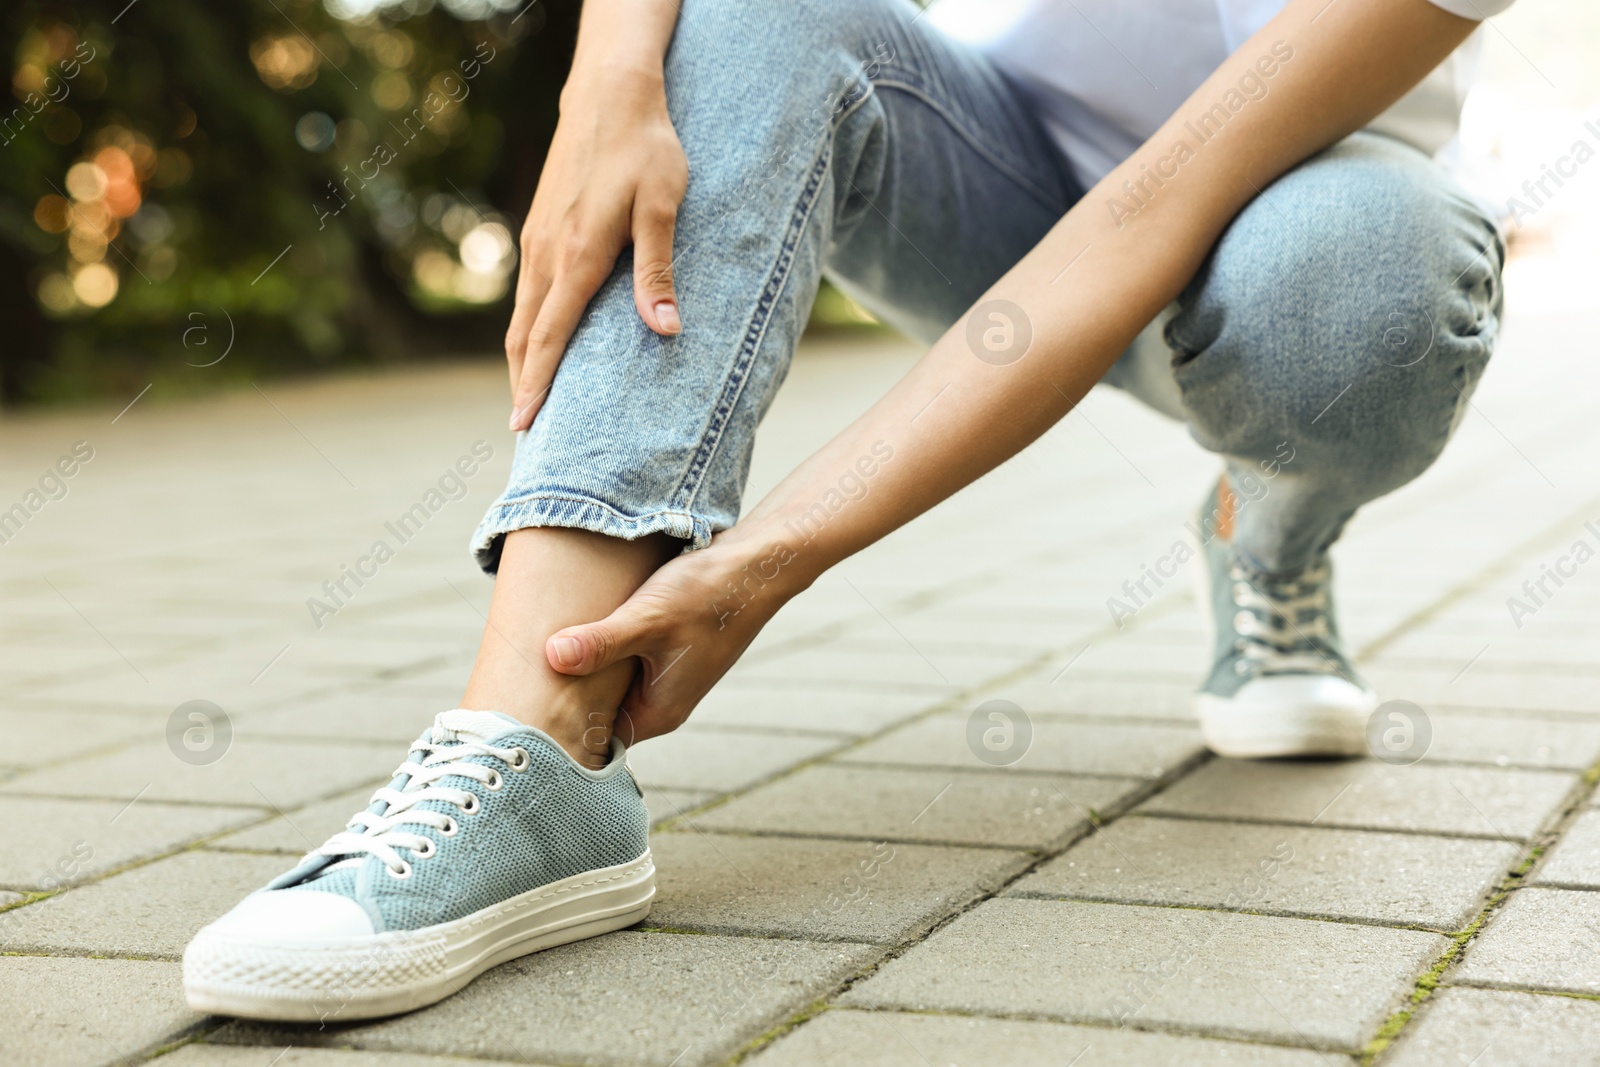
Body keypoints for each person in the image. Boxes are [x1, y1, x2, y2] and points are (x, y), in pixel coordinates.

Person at [184, 0, 1507, 1020]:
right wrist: (615, 80)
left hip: (1288, 227)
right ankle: (536, 739)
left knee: (1373, 286)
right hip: (978, 155)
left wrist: (777, 552)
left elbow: (1148, 211)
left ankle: (1266, 535)